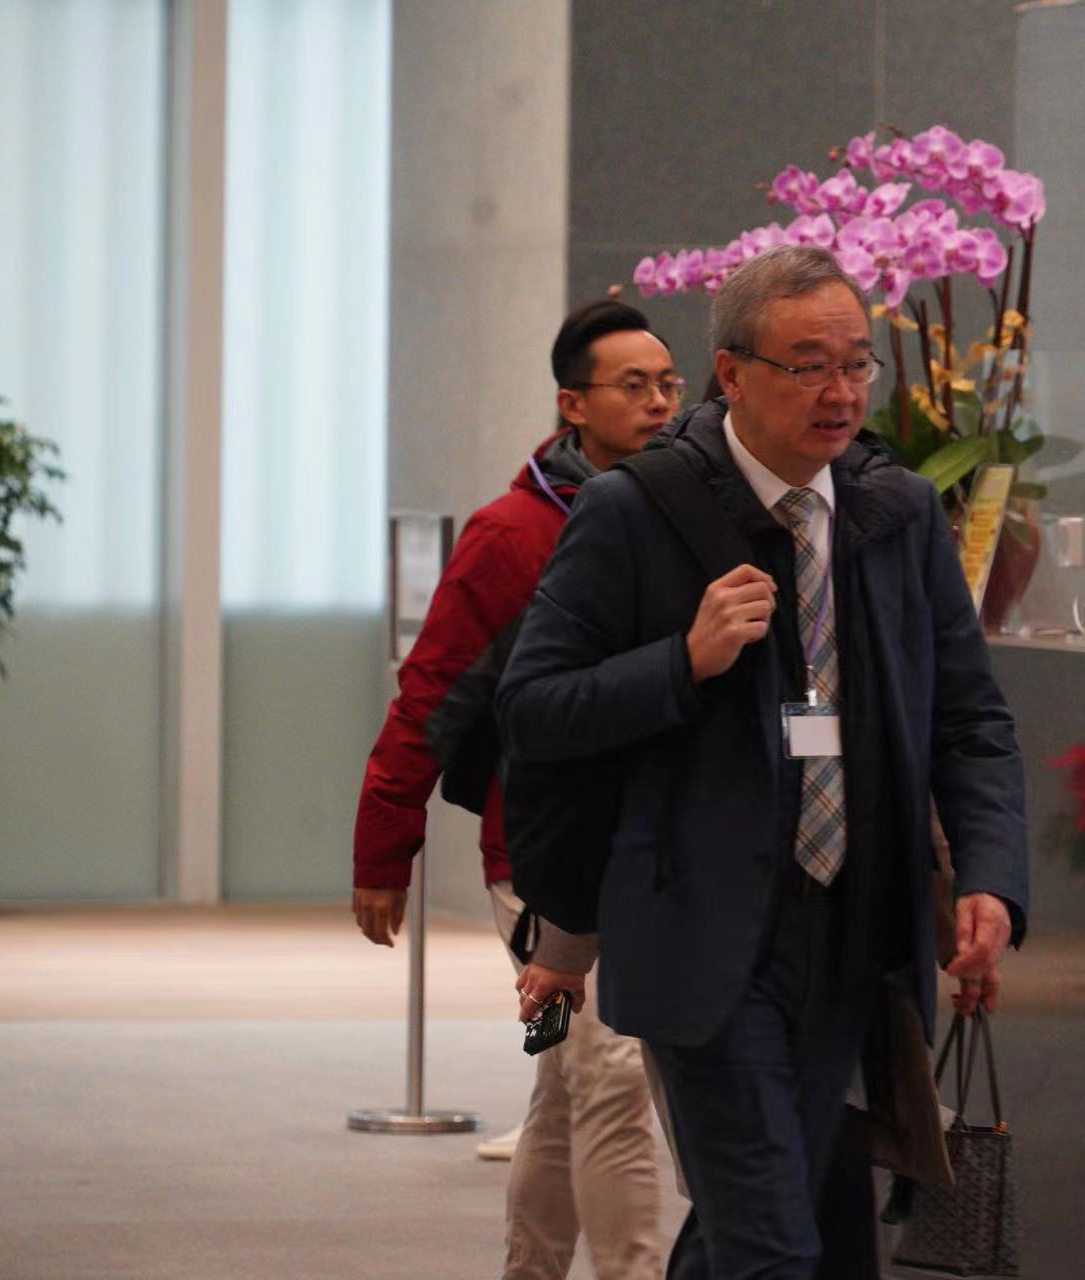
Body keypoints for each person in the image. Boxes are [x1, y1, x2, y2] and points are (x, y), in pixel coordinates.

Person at [497, 244, 1029, 1279]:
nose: (841, 393)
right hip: (702, 927)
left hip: (852, 930)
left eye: (856, 364)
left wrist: (991, 876)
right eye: (807, 366)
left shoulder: (897, 510)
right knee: (772, 1244)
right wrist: (682, 661)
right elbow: (531, 707)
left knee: (767, 1220)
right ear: (732, 374)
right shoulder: (634, 511)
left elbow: (971, 718)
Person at [351, 298, 682, 1279]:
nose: (660, 403)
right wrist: (384, 844)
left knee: (568, 1084)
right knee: (611, 1070)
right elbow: (433, 691)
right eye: (634, 385)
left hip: (654, 843)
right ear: (572, 404)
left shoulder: (683, 511)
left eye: (670, 383)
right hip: (539, 853)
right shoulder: (511, 533)